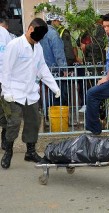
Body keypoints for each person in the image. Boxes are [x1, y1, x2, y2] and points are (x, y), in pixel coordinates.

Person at [1, 18, 60, 169]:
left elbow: (42, 68)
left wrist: (54, 87)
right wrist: (6, 91)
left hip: (31, 92)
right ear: (30, 29)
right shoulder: (15, 45)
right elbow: (5, 70)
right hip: (14, 92)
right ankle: (8, 152)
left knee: (34, 121)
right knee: (14, 123)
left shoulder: (38, 47)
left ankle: (30, 152)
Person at [40, 13, 68, 106]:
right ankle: (57, 117)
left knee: (49, 93)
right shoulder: (53, 34)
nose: (59, 23)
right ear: (53, 21)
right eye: (58, 21)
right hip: (55, 69)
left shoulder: (41, 33)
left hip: (44, 68)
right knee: (59, 94)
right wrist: (64, 68)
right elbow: (58, 53)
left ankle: (48, 114)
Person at [0, 18, 11, 150]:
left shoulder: (4, 33)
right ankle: (4, 140)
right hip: (4, 77)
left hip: (3, 77)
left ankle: (5, 139)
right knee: (4, 110)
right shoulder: (5, 33)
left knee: (4, 110)